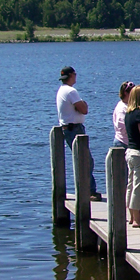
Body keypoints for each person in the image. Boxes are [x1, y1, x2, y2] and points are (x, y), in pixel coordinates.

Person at [56, 66, 100, 200]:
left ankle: (86, 190)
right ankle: (89, 191)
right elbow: (84, 109)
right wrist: (83, 104)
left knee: (82, 160)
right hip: (74, 129)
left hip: (68, 128)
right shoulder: (71, 91)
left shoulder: (61, 90)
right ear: (72, 75)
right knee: (86, 160)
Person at [123, 85, 140, 228]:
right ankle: (137, 219)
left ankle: (132, 216)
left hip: (130, 151)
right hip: (139, 153)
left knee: (131, 185)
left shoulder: (128, 113)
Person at [112, 81, 135, 147]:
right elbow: (121, 127)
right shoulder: (121, 108)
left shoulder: (130, 105)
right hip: (122, 143)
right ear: (125, 93)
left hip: (129, 142)